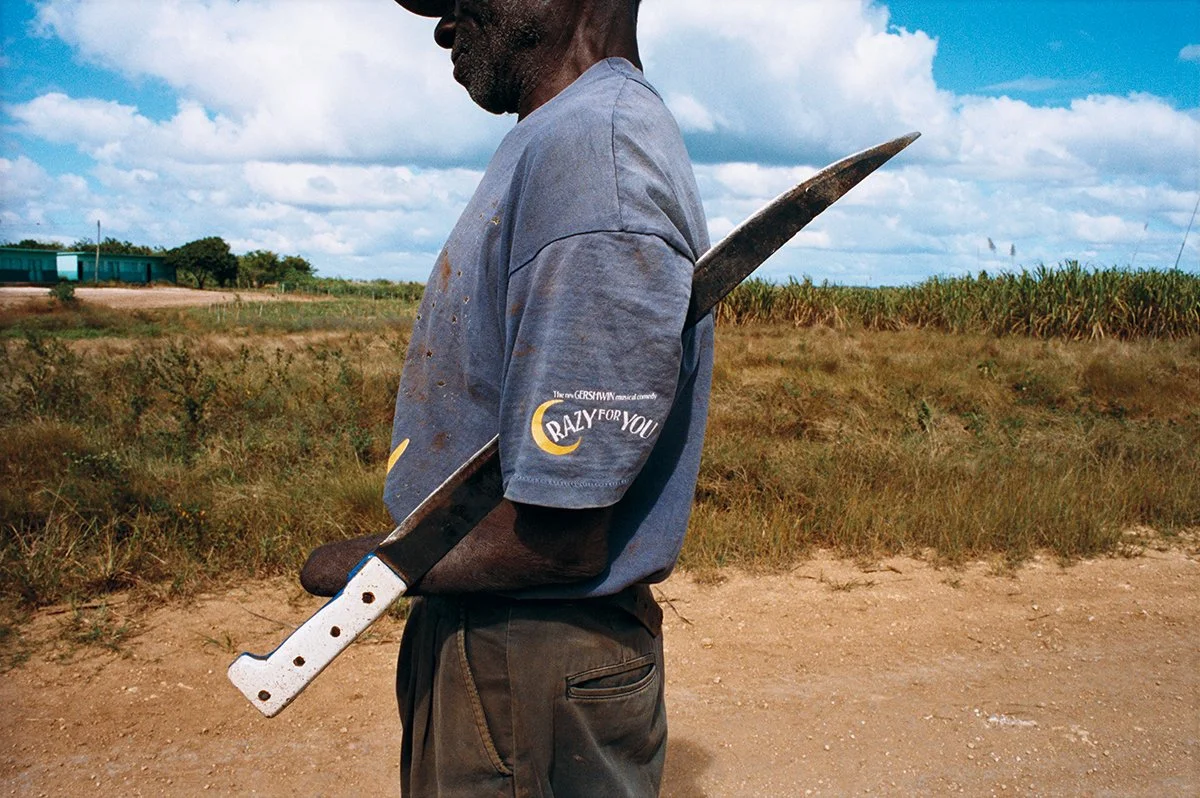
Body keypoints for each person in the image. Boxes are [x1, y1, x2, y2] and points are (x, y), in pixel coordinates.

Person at [304, 0, 713, 793]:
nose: (444, 24)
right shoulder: (563, 136)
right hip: (494, 639)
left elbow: (561, 540)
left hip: (527, 657)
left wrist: (376, 564)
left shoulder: (596, 155)